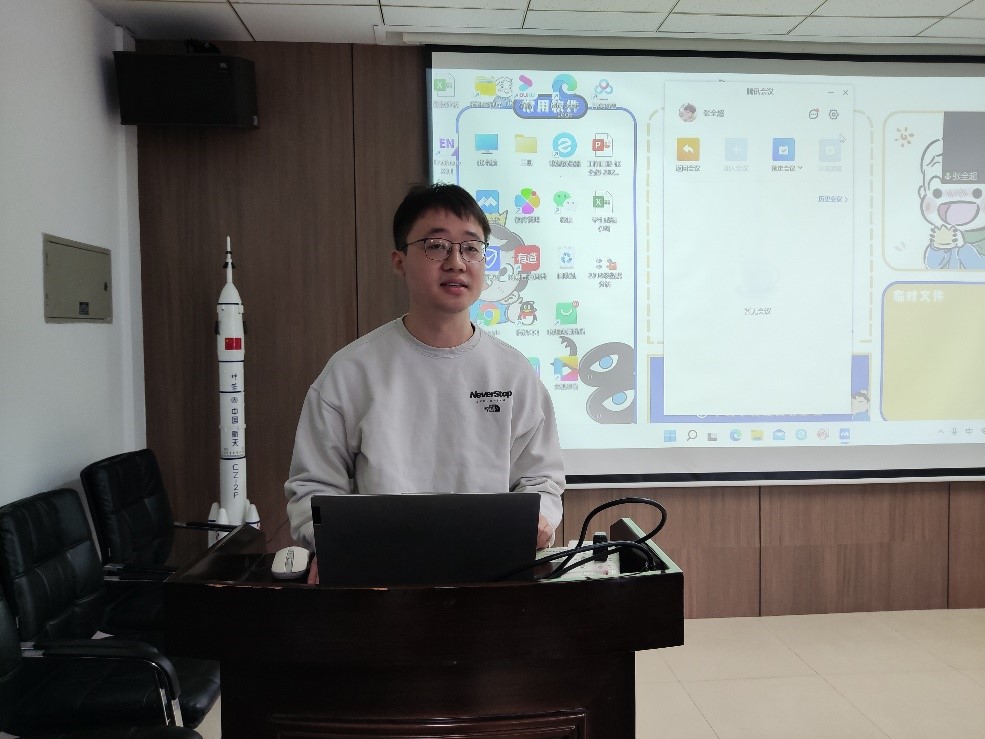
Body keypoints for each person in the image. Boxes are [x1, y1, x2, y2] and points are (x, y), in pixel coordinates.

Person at [284, 183, 565, 580]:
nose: (456, 262)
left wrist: (540, 519)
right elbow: (313, 487)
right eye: (436, 246)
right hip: (380, 579)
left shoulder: (513, 372)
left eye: (471, 248)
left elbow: (541, 479)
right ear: (399, 261)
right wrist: (331, 545)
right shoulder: (350, 372)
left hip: (492, 579)